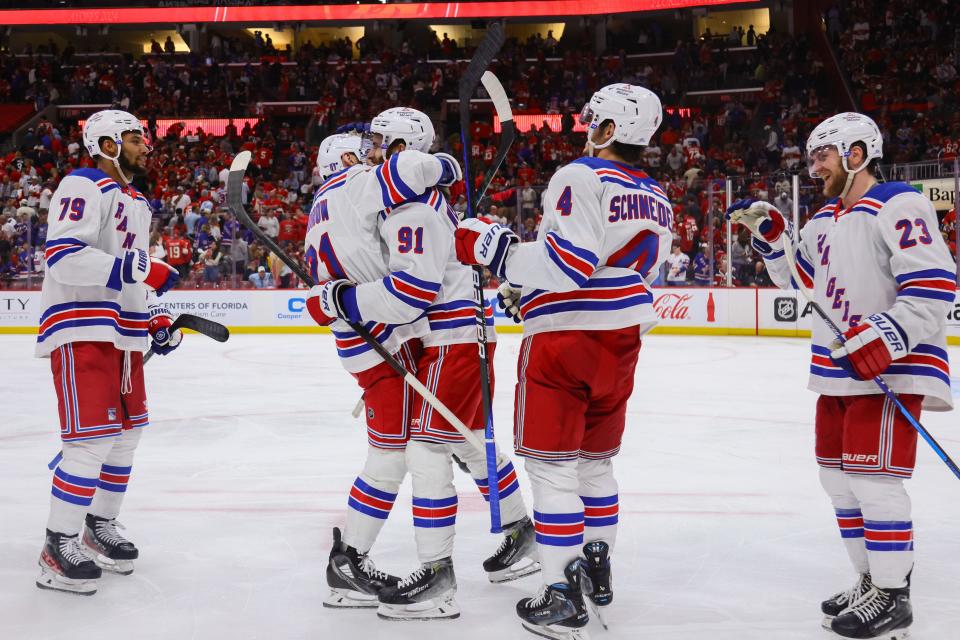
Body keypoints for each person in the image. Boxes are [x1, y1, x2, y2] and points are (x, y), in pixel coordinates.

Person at [455, 83, 674, 638]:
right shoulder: (659, 197)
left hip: (565, 342)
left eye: (591, 122)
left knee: (552, 469)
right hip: (621, 343)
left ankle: (561, 591)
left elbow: (571, 264)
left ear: (607, 131)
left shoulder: (582, 175)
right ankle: (595, 568)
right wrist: (525, 286)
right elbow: (619, 273)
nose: (585, 130)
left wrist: (496, 250)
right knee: (595, 466)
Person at [727, 112, 955, 640]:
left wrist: (886, 335)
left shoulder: (899, 203)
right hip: (838, 370)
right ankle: (872, 578)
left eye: (822, 155)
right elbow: (804, 282)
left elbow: (935, 283)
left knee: (874, 480)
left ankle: (894, 596)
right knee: (838, 479)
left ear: (856, 153)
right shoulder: (824, 219)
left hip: (889, 369)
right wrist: (771, 235)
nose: (814, 166)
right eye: (812, 157)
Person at [304, 121, 534, 620]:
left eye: (381, 148)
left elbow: (411, 295)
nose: (373, 158)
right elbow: (407, 296)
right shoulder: (381, 195)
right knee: (453, 443)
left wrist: (339, 300)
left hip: (440, 339)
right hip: (423, 339)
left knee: (433, 447)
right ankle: (518, 535)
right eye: (366, 152)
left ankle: (439, 573)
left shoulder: (392, 204)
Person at [35, 109, 181, 595]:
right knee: (90, 442)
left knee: (126, 435)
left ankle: (98, 527)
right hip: (82, 327)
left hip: (122, 333)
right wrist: (140, 266)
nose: (146, 145)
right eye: (136, 137)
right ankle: (58, 546)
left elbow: (132, 275)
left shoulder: (135, 199)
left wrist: (154, 316)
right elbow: (64, 257)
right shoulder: (83, 184)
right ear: (109, 144)